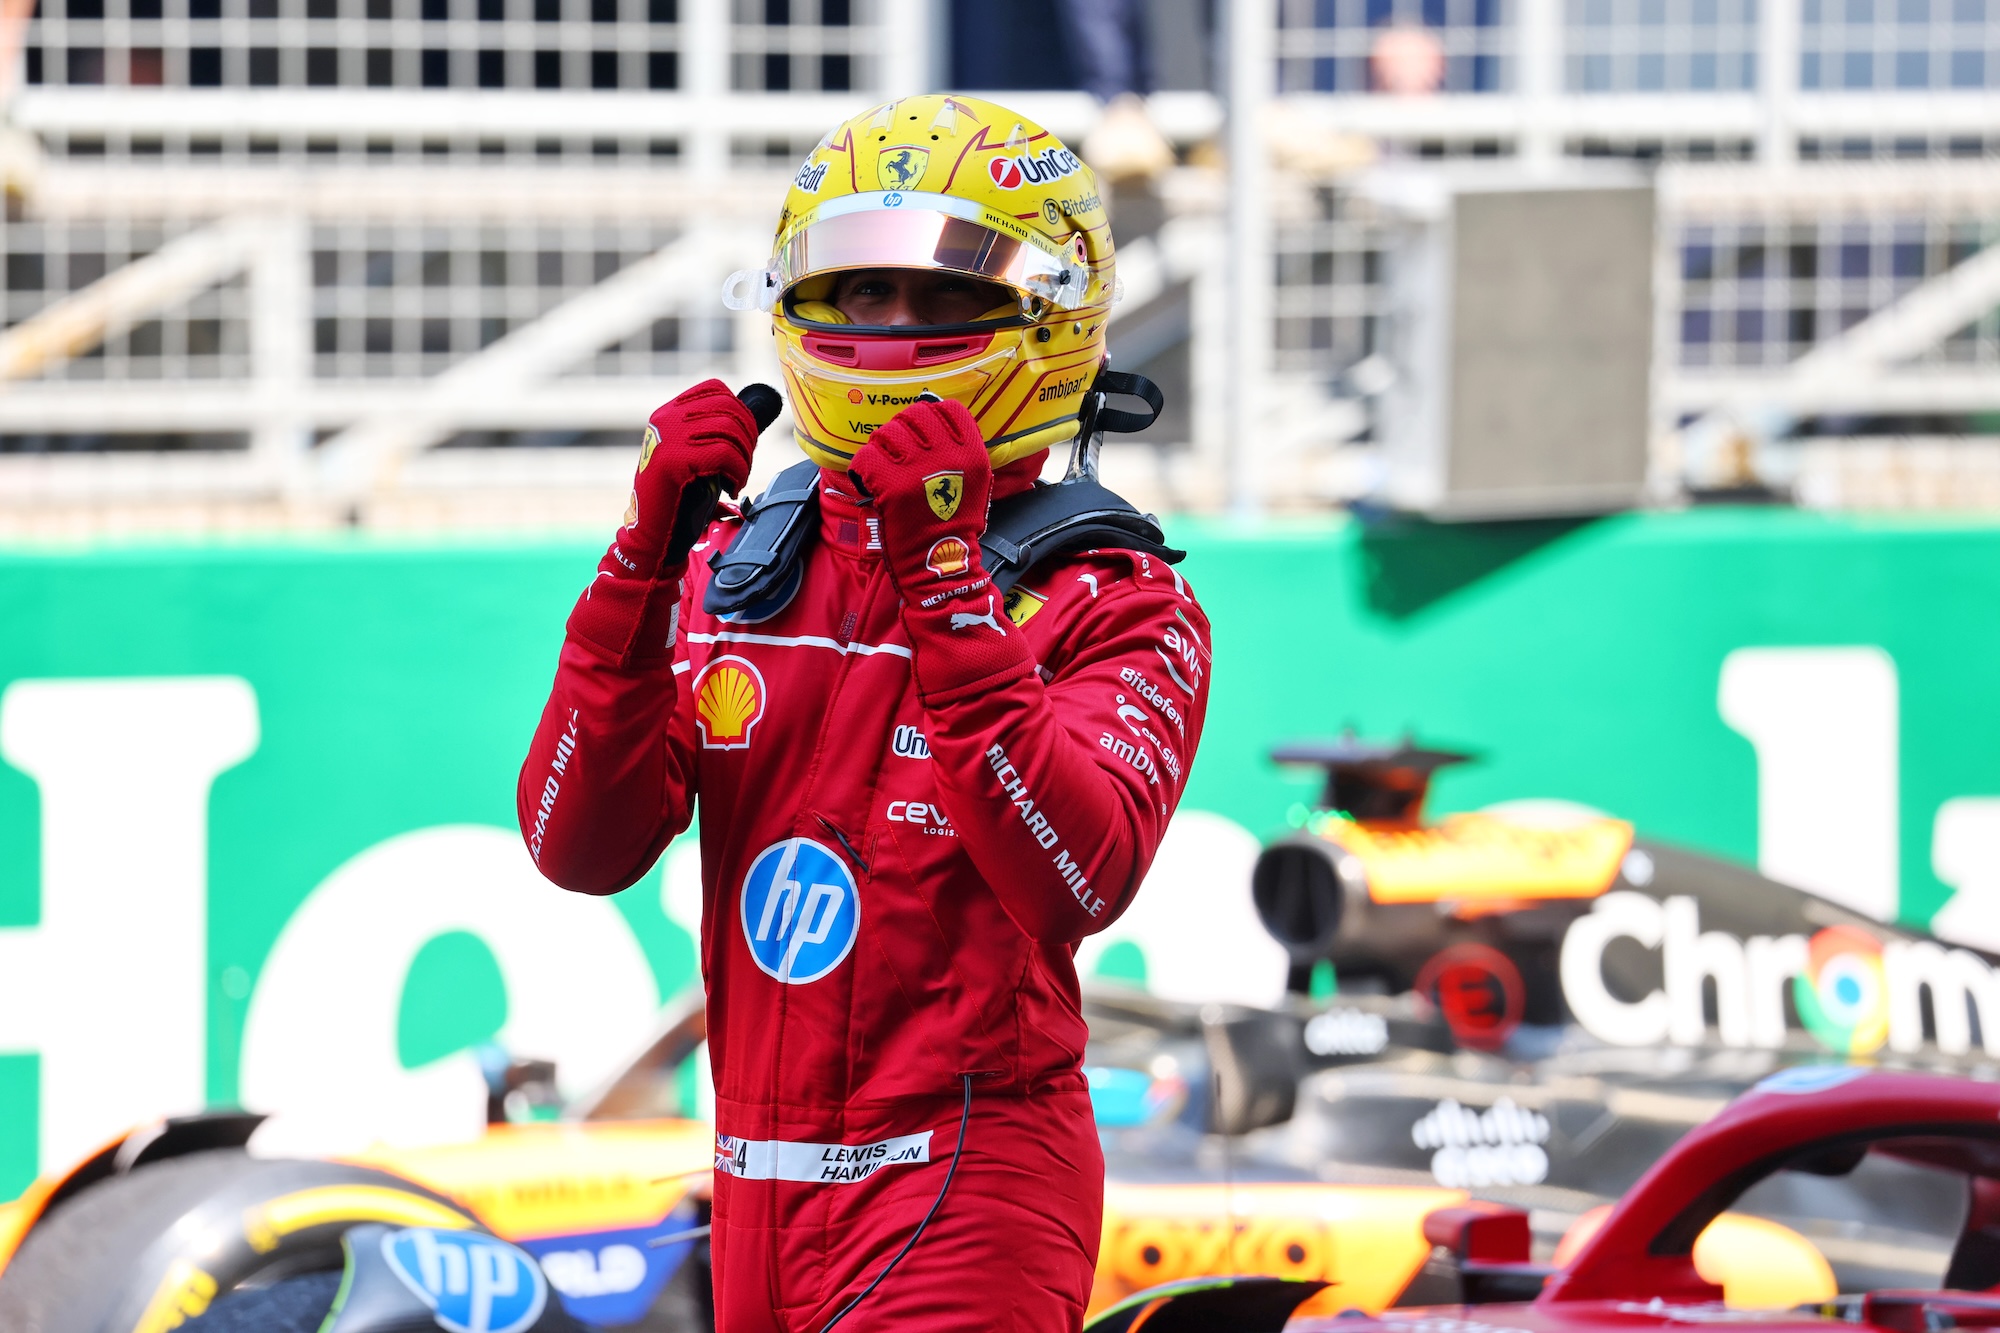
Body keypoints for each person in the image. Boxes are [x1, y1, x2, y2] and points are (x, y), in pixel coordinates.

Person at [518, 93, 1210, 1332]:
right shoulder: (736, 563)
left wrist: (942, 583)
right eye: (856, 291)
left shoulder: (1115, 597)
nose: (889, 330)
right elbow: (576, 847)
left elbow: (1078, 876)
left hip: (967, 1194)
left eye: (939, 296)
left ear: (1051, 317)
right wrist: (634, 570)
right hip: (750, 1198)